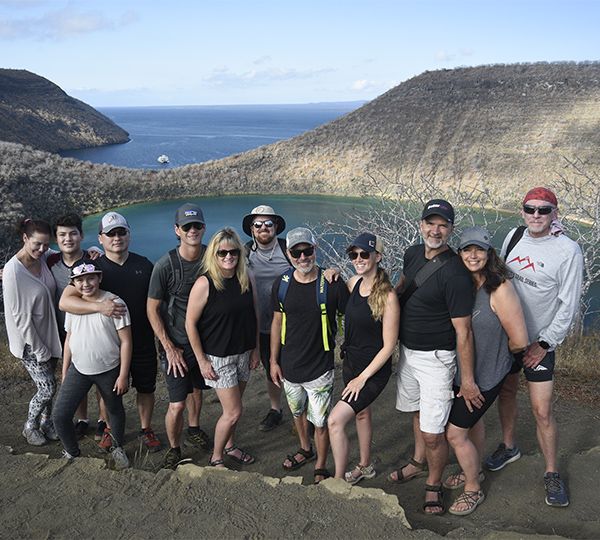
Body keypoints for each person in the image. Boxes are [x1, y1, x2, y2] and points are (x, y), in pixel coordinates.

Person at [484, 187, 583, 507]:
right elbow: (499, 279)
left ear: (555, 213)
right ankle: (509, 446)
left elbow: (568, 305)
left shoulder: (567, 250)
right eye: (530, 209)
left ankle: (552, 472)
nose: (536, 215)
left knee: (542, 409)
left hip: (539, 342)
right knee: (507, 392)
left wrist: (544, 343)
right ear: (522, 211)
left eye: (544, 210)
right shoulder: (513, 236)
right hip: (508, 336)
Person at [389, 199, 481, 515]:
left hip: (436, 361)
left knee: (433, 432)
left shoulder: (455, 273)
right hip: (407, 353)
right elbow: (404, 286)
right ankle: (418, 462)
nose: (435, 230)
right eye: (430, 223)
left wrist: (467, 380)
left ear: (451, 229)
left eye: (443, 225)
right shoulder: (412, 253)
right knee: (417, 413)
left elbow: (464, 331)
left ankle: (434, 482)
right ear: (421, 225)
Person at [443, 227, 528, 515]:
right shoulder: (465, 285)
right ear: (460, 254)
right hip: (464, 372)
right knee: (474, 424)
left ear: (489, 253)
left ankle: (473, 490)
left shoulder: (499, 288)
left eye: (479, 249)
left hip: (487, 375)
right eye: (467, 250)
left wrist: (499, 358)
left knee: (455, 434)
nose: (473, 255)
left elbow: (519, 340)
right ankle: (474, 470)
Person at [60, 211, 161, 452]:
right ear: (101, 238)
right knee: (107, 391)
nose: (116, 238)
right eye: (110, 234)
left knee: (146, 388)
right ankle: (107, 427)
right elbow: (65, 301)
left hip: (143, 340)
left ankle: (145, 429)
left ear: (129, 235)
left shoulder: (144, 265)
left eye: (121, 232)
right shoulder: (95, 268)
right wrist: (99, 307)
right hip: (109, 344)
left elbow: (157, 301)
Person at [270, 227, 349, 484]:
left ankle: (321, 465)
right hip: (290, 365)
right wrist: (273, 360)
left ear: (315, 249)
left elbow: (354, 311)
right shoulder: (282, 284)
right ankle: (305, 448)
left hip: (319, 367)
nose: (303, 257)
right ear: (288, 254)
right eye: (297, 253)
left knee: (320, 422)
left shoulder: (331, 284)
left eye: (307, 251)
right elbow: (277, 322)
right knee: (297, 413)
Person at [327, 233, 399, 485]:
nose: (358, 259)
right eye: (353, 255)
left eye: (364, 254)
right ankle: (365, 466)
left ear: (377, 257)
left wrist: (362, 378)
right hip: (351, 363)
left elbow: (389, 346)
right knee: (361, 414)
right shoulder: (353, 283)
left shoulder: (388, 296)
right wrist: (333, 272)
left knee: (335, 421)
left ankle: (337, 481)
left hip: (372, 371)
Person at [185, 228, 259, 468]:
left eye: (234, 251)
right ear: (213, 254)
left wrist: (256, 349)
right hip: (219, 358)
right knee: (233, 411)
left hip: (243, 352)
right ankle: (216, 457)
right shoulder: (205, 283)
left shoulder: (246, 278)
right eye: (222, 252)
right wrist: (202, 360)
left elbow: (254, 315)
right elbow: (190, 324)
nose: (229, 256)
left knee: (234, 408)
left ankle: (230, 446)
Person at [147, 203, 212, 470]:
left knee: (197, 391)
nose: (192, 230)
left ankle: (193, 429)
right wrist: (168, 347)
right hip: (177, 346)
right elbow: (152, 308)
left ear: (204, 228)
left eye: (197, 225)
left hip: (204, 344)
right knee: (177, 404)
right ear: (177, 230)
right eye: (187, 227)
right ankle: (174, 448)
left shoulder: (212, 257)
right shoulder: (166, 265)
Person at [52, 260, 131, 470]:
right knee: (60, 415)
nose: (86, 284)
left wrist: (123, 374)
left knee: (114, 410)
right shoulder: (74, 304)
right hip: (79, 369)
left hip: (109, 369)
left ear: (99, 278)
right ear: (73, 283)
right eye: (80, 280)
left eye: (90, 278)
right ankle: (72, 451)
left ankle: (117, 447)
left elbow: (126, 341)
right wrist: (65, 369)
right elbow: (69, 338)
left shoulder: (114, 302)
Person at [47, 213, 111, 440]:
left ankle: (103, 420)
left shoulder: (94, 260)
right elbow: (29, 257)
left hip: (95, 330)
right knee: (77, 378)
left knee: (101, 378)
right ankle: (82, 419)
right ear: (56, 238)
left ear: (81, 235)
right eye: (62, 235)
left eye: (73, 233)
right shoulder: (50, 262)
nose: (68, 239)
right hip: (66, 330)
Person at [3, 219, 62, 446]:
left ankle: (47, 423)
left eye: (46, 244)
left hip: (49, 335)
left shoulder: (43, 257)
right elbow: (20, 319)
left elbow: (66, 251)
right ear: (25, 238)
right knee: (47, 388)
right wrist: (39, 349)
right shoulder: (13, 271)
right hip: (30, 343)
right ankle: (29, 427)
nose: (42, 249)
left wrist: (95, 250)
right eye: (37, 244)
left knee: (49, 385)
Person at [242, 204, 291, 432]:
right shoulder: (245, 252)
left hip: (291, 324)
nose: (263, 228)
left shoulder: (288, 249)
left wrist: (330, 272)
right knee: (272, 369)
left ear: (276, 226)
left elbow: (309, 268)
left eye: (268, 223)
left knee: (295, 369)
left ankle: (306, 414)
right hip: (261, 326)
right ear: (252, 229)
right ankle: (275, 409)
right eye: (258, 224)